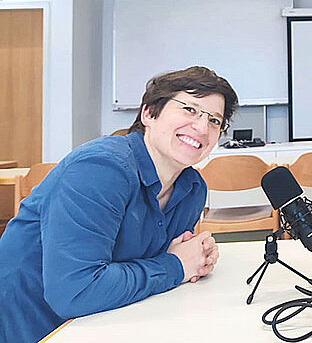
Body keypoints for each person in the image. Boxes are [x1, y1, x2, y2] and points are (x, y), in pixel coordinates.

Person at [0, 66, 238, 343]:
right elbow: (74, 292)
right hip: (37, 328)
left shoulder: (192, 188)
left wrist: (194, 258)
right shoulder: (100, 169)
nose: (202, 127)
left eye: (214, 120)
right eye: (189, 109)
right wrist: (178, 264)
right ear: (149, 113)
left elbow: (158, 265)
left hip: (111, 318)